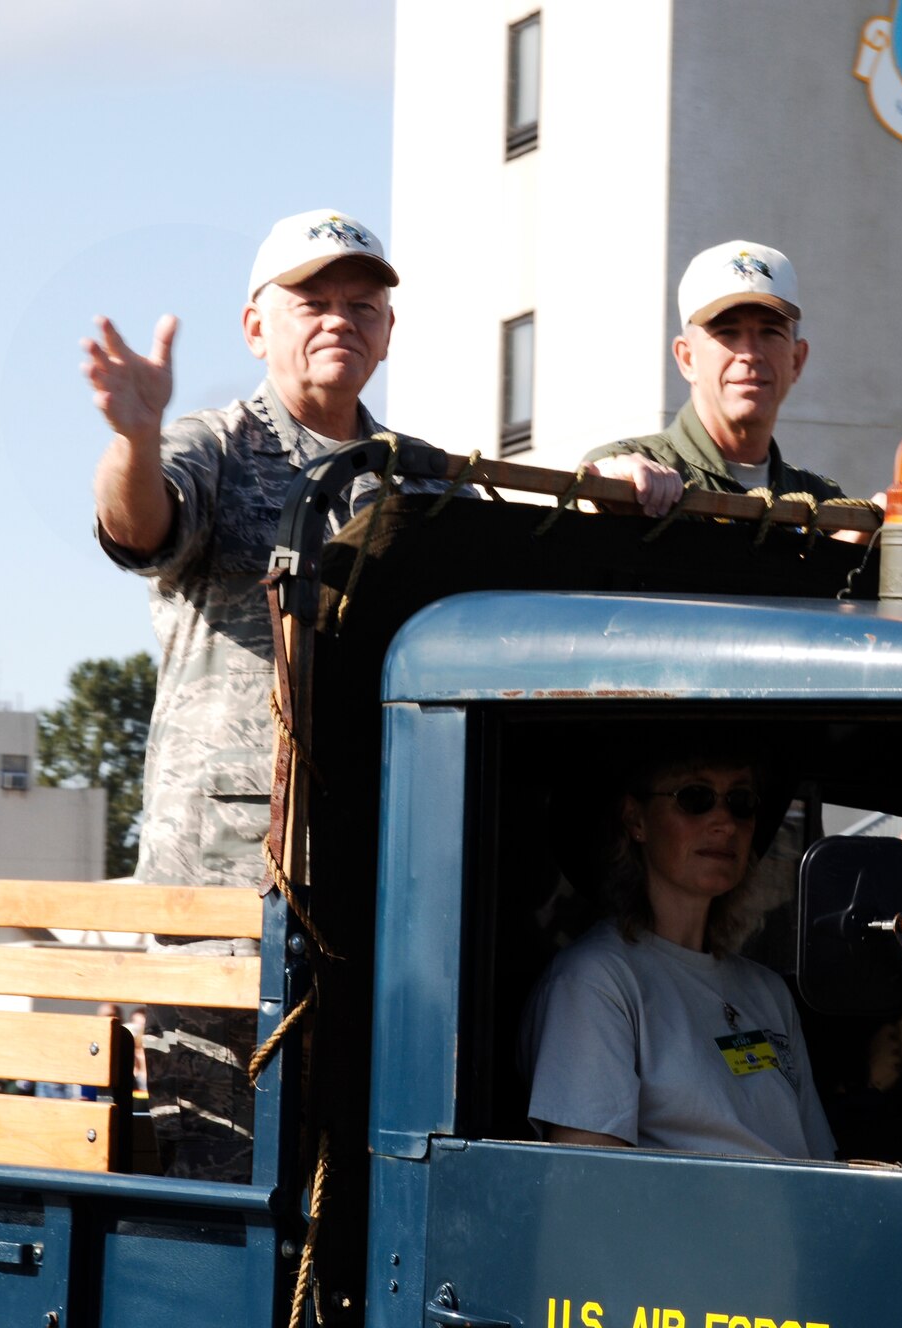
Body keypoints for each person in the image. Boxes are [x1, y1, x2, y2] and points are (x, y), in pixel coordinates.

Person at [86, 207, 444, 1180]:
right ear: (256, 326)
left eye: (360, 304)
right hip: (222, 908)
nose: (338, 319)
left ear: (387, 330)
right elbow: (141, 524)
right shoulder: (214, 444)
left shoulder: (414, 479)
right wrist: (136, 435)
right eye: (311, 301)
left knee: (357, 1187)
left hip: (375, 896)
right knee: (224, 1190)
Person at [580, 240, 902, 563]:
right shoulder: (640, 468)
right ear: (686, 358)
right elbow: (591, 496)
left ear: (797, 360)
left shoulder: (822, 499)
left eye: (770, 333)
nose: (749, 354)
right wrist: (617, 486)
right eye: (727, 334)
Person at [520, 745, 836, 1159]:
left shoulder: (768, 992)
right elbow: (592, 1189)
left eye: (741, 802)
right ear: (636, 820)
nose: (724, 822)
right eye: (695, 797)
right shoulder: (595, 981)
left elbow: (820, 1165)